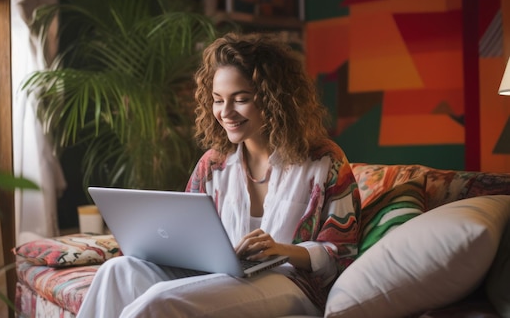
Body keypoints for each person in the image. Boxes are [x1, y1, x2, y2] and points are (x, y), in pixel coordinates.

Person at [76, 32, 361, 318]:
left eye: (241, 99)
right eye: (217, 100)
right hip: (223, 275)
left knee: (160, 301)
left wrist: (281, 250)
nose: (226, 113)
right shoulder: (212, 165)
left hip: (291, 283)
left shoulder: (323, 160)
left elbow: (342, 252)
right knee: (117, 270)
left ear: (276, 100)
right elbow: (189, 235)